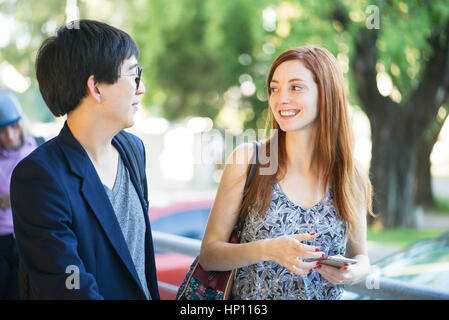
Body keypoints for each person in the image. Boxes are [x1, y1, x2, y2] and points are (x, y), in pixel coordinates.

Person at [199, 45, 373, 300]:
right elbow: (209, 254)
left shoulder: (349, 173)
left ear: (326, 94)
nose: (281, 99)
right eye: (274, 89)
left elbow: (361, 257)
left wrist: (352, 272)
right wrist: (268, 250)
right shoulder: (250, 160)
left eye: (295, 87)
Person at [10, 20, 159, 300]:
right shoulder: (39, 178)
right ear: (96, 87)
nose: (141, 88)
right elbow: (68, 286)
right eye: (134, 74)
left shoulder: (133, 150)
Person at [0, 92, 40, 299]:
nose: (10, 136)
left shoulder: (38, 148)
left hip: (27, 238)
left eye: (14, 127)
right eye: (2, 130)